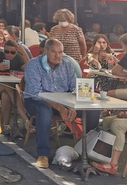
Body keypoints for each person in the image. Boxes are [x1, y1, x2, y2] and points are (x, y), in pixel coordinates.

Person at [23, 38, 99, 169]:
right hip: (36, 101)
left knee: (93, 110)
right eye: (53, 52)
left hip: (63, 102)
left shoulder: (67, 65)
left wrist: (72, 106)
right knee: (44, 110)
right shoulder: (34, 64)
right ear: (45, 51)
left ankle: (85, 151)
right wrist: (60, 107)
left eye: (60, 52)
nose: (57, 55)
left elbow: (74, 87)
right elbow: (36, 92)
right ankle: (43, 154)